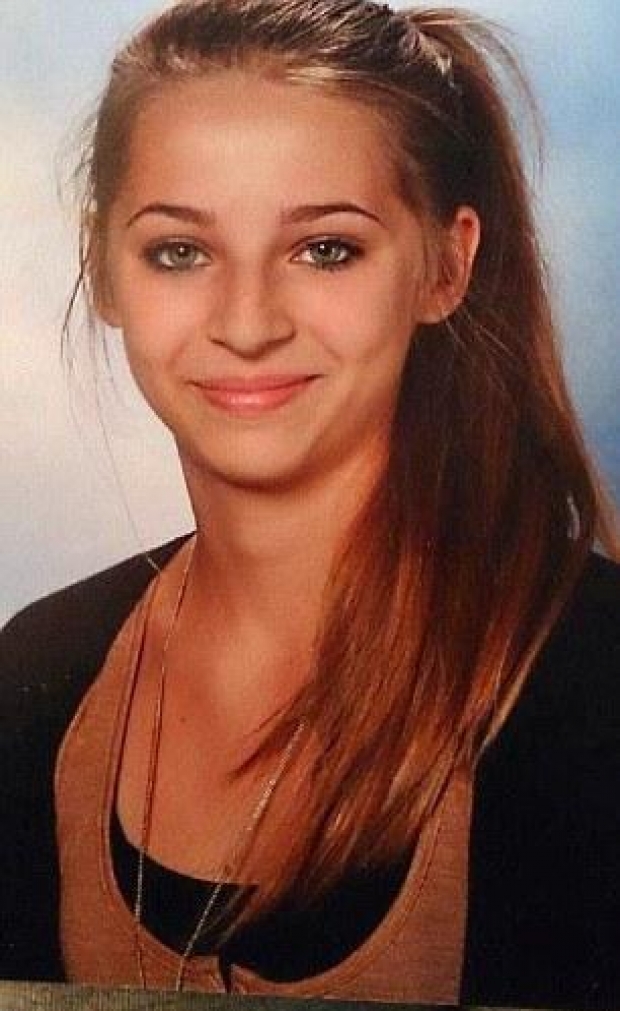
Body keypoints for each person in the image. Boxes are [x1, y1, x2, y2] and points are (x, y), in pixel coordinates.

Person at [1, 0, 619, 1004]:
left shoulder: (589, 680)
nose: (246, 324)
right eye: (180, 251)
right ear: (103, 267)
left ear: (447, 264)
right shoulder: (40, 671)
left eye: (324, 248)